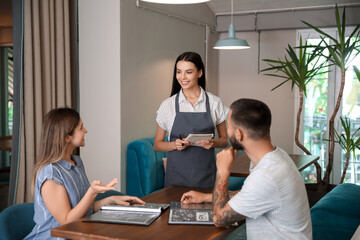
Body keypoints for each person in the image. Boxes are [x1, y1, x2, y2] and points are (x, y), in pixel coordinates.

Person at [181, 98, 312, 239]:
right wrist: (207, 197)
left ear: (239, 134)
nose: (227, 130)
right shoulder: (277, 156)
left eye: (228, 126)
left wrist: (223, 171)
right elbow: (250, 194)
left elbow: (219, 219)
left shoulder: (266, 175)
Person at [25, 108, 145, 239]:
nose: (86, 131)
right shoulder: (51, 174)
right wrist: (92, 192)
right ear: (67, 137)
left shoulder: (76, 162)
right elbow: (66, 221)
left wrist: (112, 200)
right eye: (81, 128)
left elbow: (82, 209)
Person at [154, 51, 229, 188]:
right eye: (178, 72)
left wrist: (213, 143)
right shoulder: (168, 105)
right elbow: (157, 144)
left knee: (206, 209)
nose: (182, 77)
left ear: (200, 73)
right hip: (176, 177)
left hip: (206, 175)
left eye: (188, 72)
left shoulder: (214, 103)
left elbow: (224, 140)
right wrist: (174, 145)